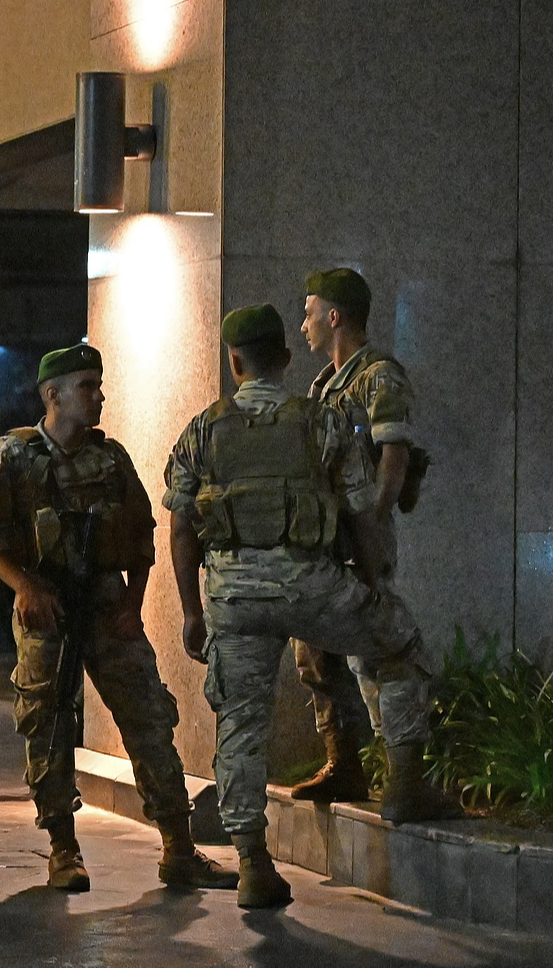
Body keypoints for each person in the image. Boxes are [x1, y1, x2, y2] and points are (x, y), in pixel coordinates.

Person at [165, 305, 462, 910]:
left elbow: (178, 527)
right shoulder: (320, 421)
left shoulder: (203, 428)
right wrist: (374, 579)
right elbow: (360, 511)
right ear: (284, 357)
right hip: (312, 587)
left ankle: (252, 865)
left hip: (234, 599)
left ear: (235, 361)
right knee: (399, 644)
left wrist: (192, 612)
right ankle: (405, 784)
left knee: (241, 724)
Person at [0, 344, 236, 894]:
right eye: (86, 386)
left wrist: (133, 603)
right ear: (53, 396)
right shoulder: (14, 456)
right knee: (46, 725)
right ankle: (63, 848)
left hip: (105, 603)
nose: (99, 396)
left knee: (148, 718)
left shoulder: (111, 458)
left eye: (99, 384)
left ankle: (178, 848)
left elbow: (141, 534)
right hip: (48, 607)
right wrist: (25, 588)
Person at [290, 267, 422, 803]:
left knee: (384, 651)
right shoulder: (324, 385)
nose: (304, 323)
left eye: (309, 310)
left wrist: (374, 521)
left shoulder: (379, 376)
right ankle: (343, 763)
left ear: (335, 316)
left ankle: (404, 780)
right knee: (316, 653)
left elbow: (395, 457)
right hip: (324, 539)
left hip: (358, 540)